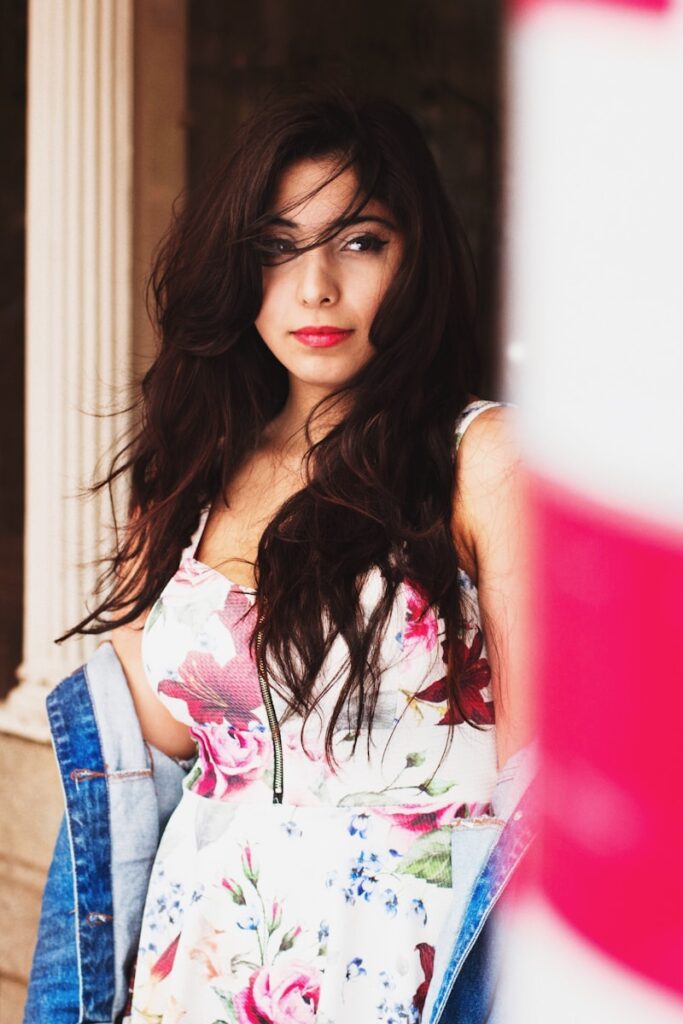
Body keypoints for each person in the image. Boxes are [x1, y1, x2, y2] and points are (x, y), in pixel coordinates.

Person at [26, 91, 532, 1024]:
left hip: (394, 975)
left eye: (360, 241)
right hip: (195, 967)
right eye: (277, 247)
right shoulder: (201, 471)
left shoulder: (480, 458)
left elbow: (547, 789)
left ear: (414, 256)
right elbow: (160, 746)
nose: (315, 290)